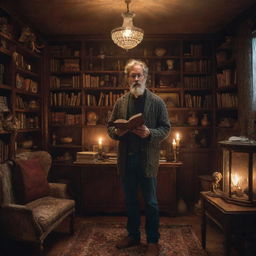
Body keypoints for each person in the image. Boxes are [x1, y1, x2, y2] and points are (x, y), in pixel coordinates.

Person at [107, 59, 170, 256]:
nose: (136, 79)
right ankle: (133, 236)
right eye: (132, 75)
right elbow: (110, 127)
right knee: (130, 201)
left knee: (151, 202)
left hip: (147, 161)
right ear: (127, 78)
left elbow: (166, 128)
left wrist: (150, 133)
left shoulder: (157, 102)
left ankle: (153, 240)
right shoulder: (120, 102)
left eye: (139, 75)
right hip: (126, 160)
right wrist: (118, 133)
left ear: (145, 77)